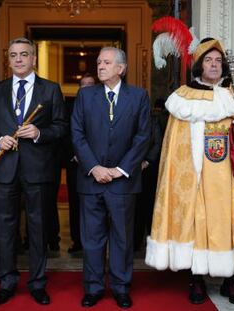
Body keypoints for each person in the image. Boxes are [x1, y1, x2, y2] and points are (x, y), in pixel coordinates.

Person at [145, 38, 234, 306]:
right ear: (199, 65)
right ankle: (196, 279)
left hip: (230, 176)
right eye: (208, 60)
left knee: (228, 224)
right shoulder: (185, 98)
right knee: (197, 223)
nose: (214, 65)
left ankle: (230, 280)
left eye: (218, 61)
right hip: (196, 175)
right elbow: (176, 145)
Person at [0, 37, 67, 306]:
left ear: (34, 59)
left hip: (38, 170)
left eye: (24, 54)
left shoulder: (51, 90)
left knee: (38, 228)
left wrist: (40, 133)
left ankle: (38, 283)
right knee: (5, 228)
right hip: (5, 169)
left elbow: (62, 127)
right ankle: (6, 281)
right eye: (13, 55)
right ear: (9, 60)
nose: (18, 59)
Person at [71, 47, 150, 308]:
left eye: (106, 62)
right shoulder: (85, 96)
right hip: (91, 180)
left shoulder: (139, 97)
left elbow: (142, 137)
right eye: (99, 62)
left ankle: (121, 287)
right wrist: (94, 167)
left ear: (121, 68)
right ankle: (93, 288)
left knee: (122, 238)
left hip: (124, 182)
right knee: (91, 239)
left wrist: (121, 169)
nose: (100, 66)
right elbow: (77, 134)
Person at [65, 73, 96, 254]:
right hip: (75, 164)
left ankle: (95, 243)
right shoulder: (69, 107)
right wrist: (75, 154)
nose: (87, 87)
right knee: (75, 205)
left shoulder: (105, 103)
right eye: (83, 84)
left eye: (90, 83)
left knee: (96, 206)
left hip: (98, 165)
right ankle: (77, 241)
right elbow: (65, 133)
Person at [133, 105, 163, 251]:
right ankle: (134, 242)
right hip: (130, 170)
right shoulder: (128, 117)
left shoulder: (153, 120)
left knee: (150, 206)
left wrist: (147, 161)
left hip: (149, 170)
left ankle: (151, 241)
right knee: (134, 209)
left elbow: (157, 143)